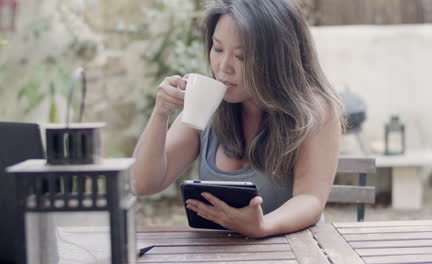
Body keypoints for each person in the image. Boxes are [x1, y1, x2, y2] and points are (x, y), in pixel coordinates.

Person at [131, 0, 343, 238]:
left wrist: (262, 226)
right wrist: (161, 113)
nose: (223, 67)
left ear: (277, 60)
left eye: (241, 56)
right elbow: (143, 184)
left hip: (292, 253)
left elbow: (310, 198)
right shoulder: (208, 103)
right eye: (218, 49)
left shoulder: (315, 110)